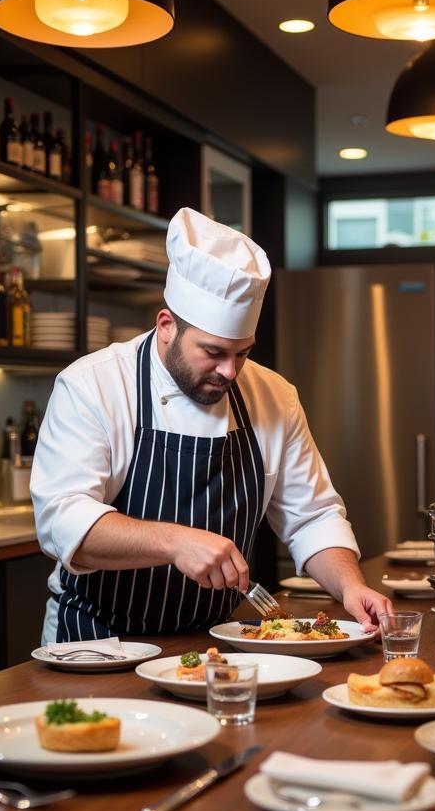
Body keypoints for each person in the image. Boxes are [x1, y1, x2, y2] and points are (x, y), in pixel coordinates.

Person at [31, 207, 392, 643]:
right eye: (214, 352)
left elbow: (312, 518)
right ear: (166, 325)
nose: (230, 371)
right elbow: (62, 522)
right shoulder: (93, 385)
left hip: (216, 641)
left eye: (242, 353)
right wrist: (175, 542)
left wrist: (350, 587)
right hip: (98, 640)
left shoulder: (274, 396)